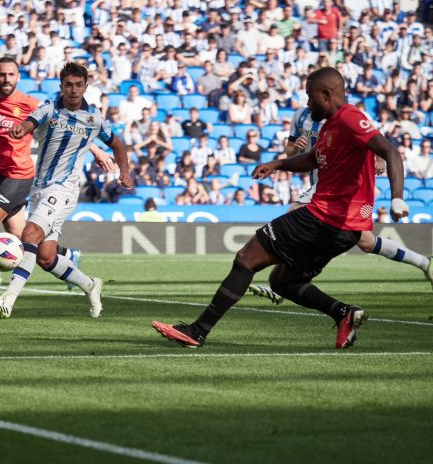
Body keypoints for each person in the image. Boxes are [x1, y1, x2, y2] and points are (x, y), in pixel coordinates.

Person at [152, 67, 409, 350]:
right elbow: (312, 159)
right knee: (283, 281)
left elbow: (390, 151)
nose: (308, 104)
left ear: (327, 93)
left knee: (248, 256)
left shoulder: (350, 118)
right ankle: (342, 313)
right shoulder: (330, 128)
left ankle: (197, 331)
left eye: (311, 97)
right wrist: (278, 164)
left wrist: (397, 197)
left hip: (326, 218)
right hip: (342, 228)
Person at [0, 57, 112, 291]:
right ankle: (68, 254)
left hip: (21, 174)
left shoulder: (29, 103)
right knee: (23, 238)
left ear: (18, 77)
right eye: (2, 75)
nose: (6, 79)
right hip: (1, 175)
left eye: (11, 75)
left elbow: (66, 124)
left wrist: (96, 149)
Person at [0, 62, 132, 319]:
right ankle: (90, 284)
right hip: (40, 189)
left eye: (79, 85)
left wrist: (125, 172)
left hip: (65, 190)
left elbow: (118, 145)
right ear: (61, 86)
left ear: (86, 86)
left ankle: (8, 299)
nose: (74, 90)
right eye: (69, 85)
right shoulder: (50, 108)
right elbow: (29, 123)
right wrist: (21, 129)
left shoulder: (94, 119)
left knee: (29, 235)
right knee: (46, 257)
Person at [250, 105, 433, 303]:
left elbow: (375, 139)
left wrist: (379, 158)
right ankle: (425, 263)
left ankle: (280, 286)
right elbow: (290, 153)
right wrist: (296, 148)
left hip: (339, 183)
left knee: (293, 214)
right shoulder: (300, 116)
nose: (311, 95)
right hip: (320, 182)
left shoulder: (347, 115)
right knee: (365, 241)